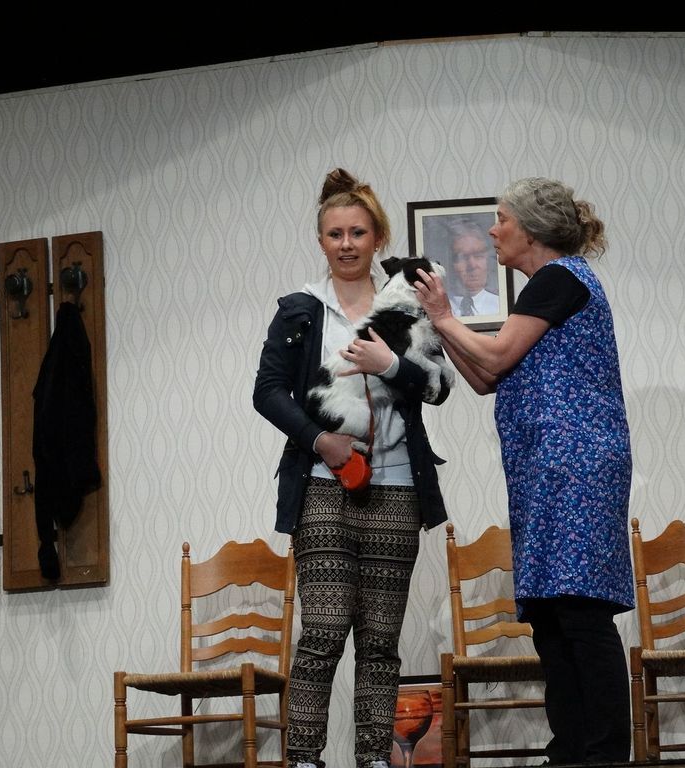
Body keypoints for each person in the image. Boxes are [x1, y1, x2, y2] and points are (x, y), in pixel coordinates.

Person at [414, 177, 633, 764]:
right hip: (547, 470)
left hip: (577, 465)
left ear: (532, 230)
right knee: (550, 614)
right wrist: (439, 324)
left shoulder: (561, 278)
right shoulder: (547, 286)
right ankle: (570, 749)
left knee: (580, 610)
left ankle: (604, 754)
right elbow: (487, 377)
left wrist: (443, 313)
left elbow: (496, 353)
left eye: (502, 219)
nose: (493, 231)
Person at [253, 168, 451, 768]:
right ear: (321, 241)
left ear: (377, 237)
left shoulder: (406, 303)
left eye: (357, 232)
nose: (346, 244)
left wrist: (390, 364)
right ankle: (304, 759)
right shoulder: (300, 310)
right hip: (321, 486)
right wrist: (320, 441)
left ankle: (373, 759)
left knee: (380, 642)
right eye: (335, 233)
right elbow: (267, 392)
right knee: (321, 633)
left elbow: (439, 386)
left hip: (398, 489)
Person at [444, 217, 500, 316]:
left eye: (478, 255)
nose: (472, 265)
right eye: (463, 257)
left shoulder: (500, 307)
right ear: (451, 264)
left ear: (487, 260)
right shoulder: (439, 308)